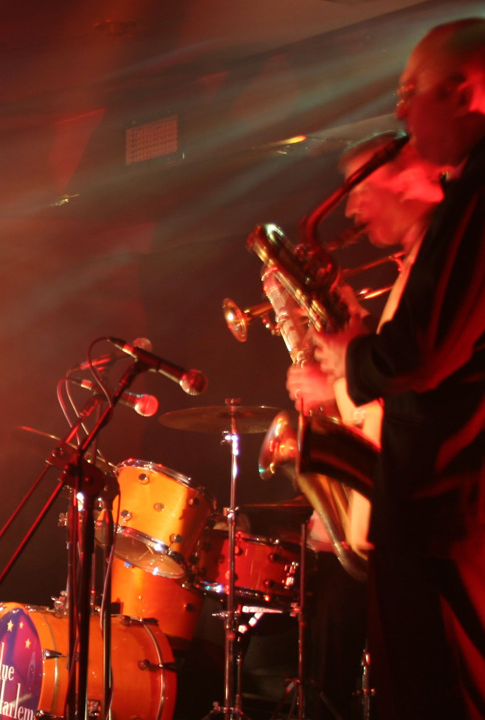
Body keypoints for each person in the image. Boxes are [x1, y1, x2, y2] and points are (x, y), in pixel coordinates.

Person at [311, 18, 485, 719]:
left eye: (412, 91)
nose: (401, 111)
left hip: (443, 509)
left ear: (462, 93)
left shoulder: (475, 198)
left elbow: (420, 354)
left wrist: (351, 354)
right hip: (443, 508)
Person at [284, 131, 443, 720]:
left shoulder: (443, 262)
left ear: (412, 176)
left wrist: (344, 373)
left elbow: (421, 389)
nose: (351, 209)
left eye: (360, 189)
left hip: (433, 517)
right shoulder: (416, 266)